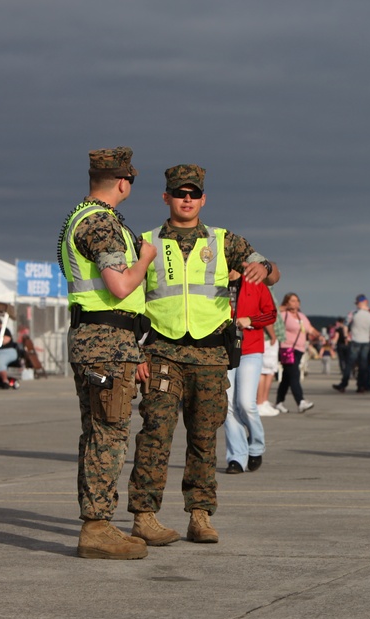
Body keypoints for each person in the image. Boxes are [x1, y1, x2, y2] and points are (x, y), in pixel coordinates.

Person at [131, 164, 278, 546]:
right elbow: (128, 300)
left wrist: (263, 268)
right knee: (156, 432)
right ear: (166, 198)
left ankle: (200, 515)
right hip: (162, 350)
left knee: (203, 437)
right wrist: (135, 353)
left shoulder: (224, 240)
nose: (186, 199)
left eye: (193, 194)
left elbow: (271, 269)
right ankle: (144, 516)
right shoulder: (145, 242)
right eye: (179, 193)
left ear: (203, 199)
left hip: (211, 354)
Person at [59, 145, 155, 560]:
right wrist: (146, 257)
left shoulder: (80, 216)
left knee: (97, 430)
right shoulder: (101, 223)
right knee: (109, 433)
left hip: (95, 341)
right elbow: (119, 286)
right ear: (123, 182)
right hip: (107, 344)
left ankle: (97, 523)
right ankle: (97, 527)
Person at [223, 270, 277, 474]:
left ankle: (255, 446)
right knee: (226, 406)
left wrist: (251, 320)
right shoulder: (214, 281)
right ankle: (236, 457)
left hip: (250, 349)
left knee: (245, 403)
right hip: (223, 351)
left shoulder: (255, 284)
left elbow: (271, 313)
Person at [274, 292, 320, 413]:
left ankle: (279, 402)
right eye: (292, 301)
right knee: (294, 374)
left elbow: (309, 328)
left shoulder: (301, 316)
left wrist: (318, 335)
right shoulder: (284, 314)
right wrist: (283, 308)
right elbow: (273, 312)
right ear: (287, 302)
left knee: (286, 378)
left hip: (299, 349)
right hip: (287, 349)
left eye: (297, 301)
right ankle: (301, 402)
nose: (295, 303)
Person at [332, 294, 370, 393]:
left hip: (356, 340)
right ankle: (361, 386)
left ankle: (344, 384)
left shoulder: (353, 313)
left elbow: (345, 325)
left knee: (349, 363)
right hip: (366, 341)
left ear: (360, 303)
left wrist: (345, 337)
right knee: (363, 365)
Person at [257, 325, 280, 416]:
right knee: (264, 371)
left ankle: (263, 401)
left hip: (267, 339)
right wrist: (273, 336)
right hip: (267, 340)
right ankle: (260, 402)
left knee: (268, 371)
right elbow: (267, 320)